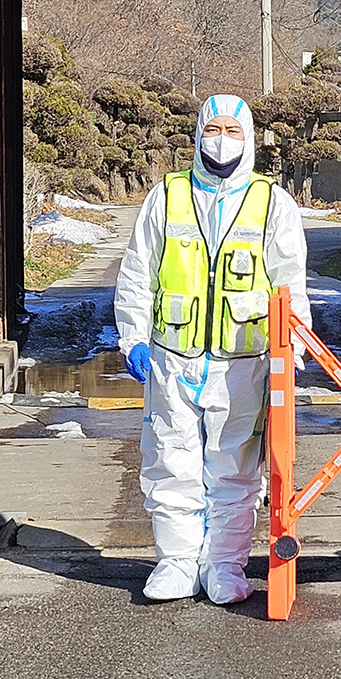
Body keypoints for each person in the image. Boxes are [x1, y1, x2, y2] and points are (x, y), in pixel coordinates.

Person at [114, 94, 310, 604]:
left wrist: (292, 350)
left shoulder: (272, 202)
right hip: (172, 356)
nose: (222, 139)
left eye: (233, 130)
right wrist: (133, 337)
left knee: (235, 467)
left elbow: (291, 281)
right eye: (213, 129)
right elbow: (137, 271)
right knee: (170, 460)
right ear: (198, 133)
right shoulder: (168, 195)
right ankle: (177, 562)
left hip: (243, 361)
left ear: (249, 139)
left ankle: (225, 564)